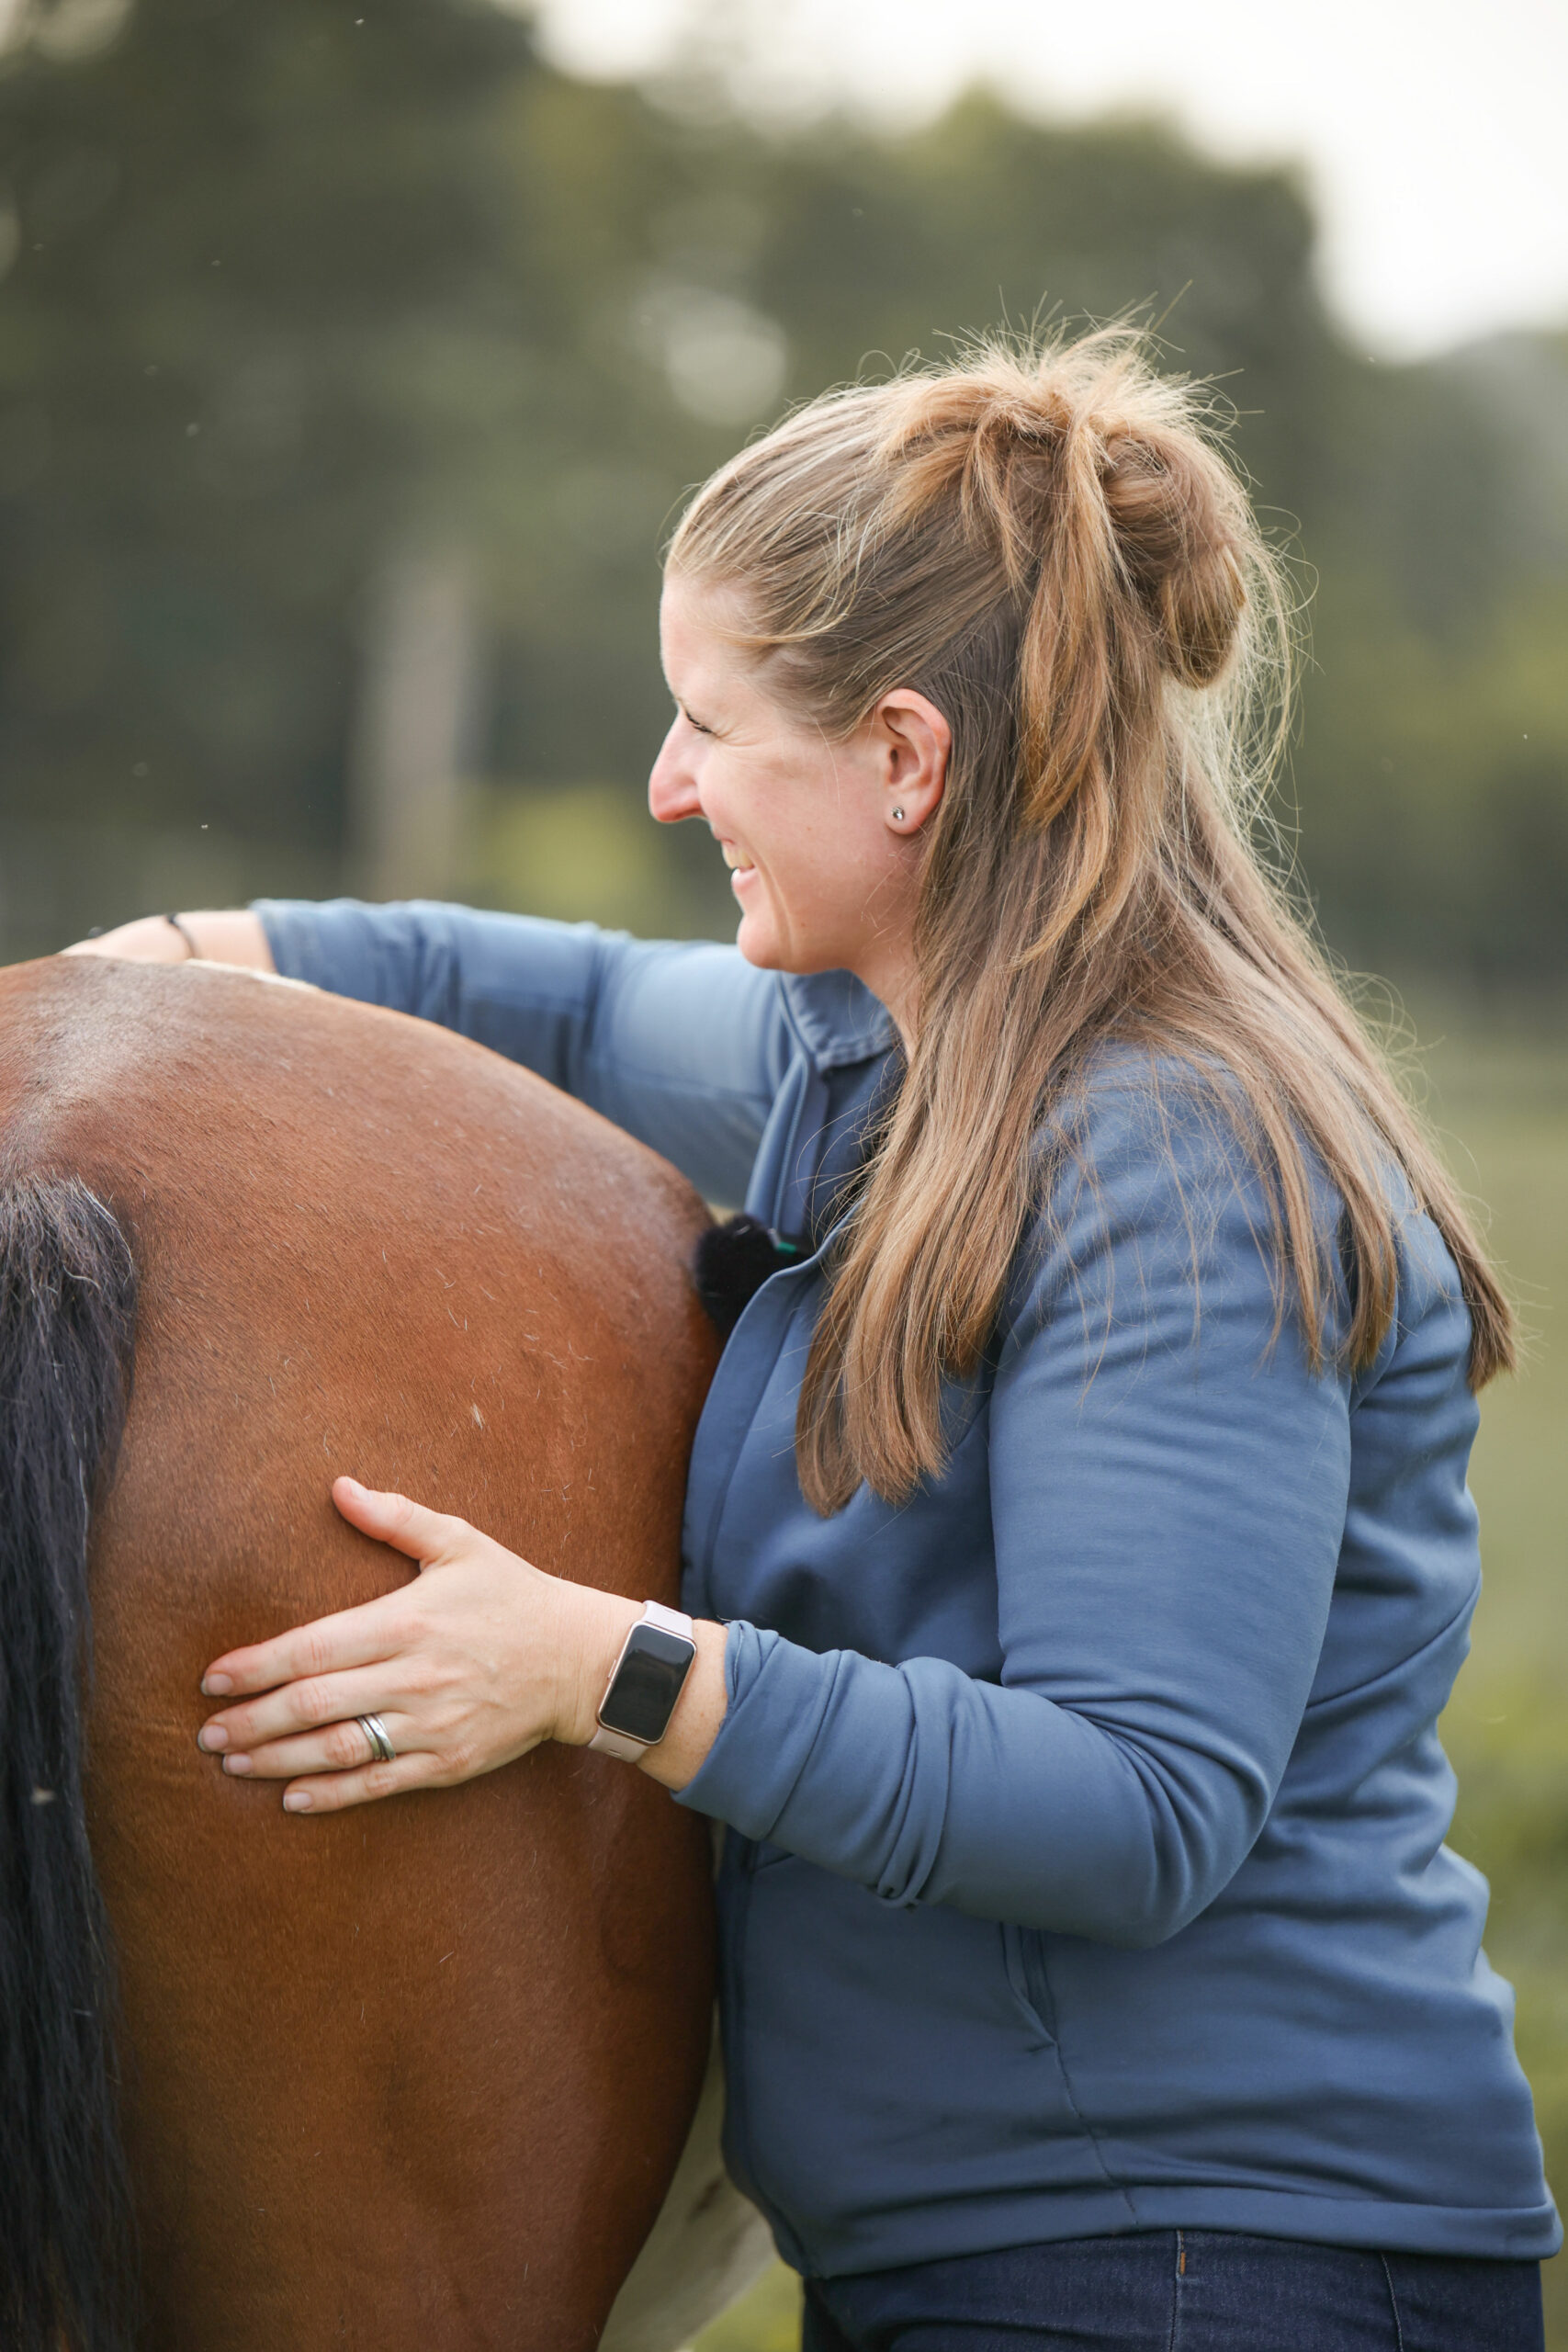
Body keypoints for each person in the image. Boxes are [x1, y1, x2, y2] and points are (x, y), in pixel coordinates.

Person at [73, 328, 1558, 2351]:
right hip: (1004, 2255)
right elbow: (576, 1003)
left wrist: (596, 1661)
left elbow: (1136, 1804)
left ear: (899, 758)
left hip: (1204, 2258)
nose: (668, 783)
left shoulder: (1170, 1152)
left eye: (707, 722)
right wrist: (176, 968)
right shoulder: (880, 1043)